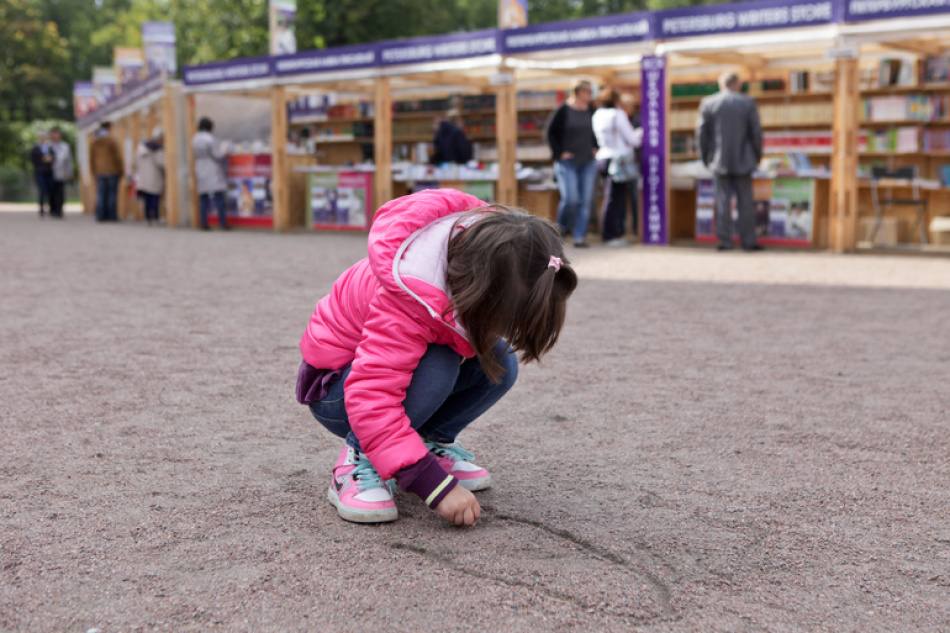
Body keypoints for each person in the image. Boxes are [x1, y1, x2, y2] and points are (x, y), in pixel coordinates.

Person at [296, 188, 578, 526]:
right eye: (505, 319)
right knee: (438, 365)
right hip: (339, 392)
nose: (505, 328)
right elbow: (371, 397)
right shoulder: (408, 297)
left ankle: (426, 443)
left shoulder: (474, 266)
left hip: (373, 384)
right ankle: (359, 460)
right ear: (485, 292)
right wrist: (434, 487)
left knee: (499, 360)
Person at [697, 72, 764, 252]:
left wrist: (706, 158)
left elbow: (702, 134)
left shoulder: (708, 103)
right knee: (746, 202)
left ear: (721, 85)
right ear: (737, 84)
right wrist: (756, 156)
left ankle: (726, 241)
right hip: (744, 159)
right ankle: (748, 241)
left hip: (719, 160)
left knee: (722, 201)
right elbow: (756, 133)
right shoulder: (748, 102)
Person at [544, 79, 599, 248]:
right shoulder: (563, 110)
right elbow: (550, 133)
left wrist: (595, 146)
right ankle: (559, 232)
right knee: (571, 199)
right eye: (588, 91)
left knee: (585, 200)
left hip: (587, 161)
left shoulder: (590, 109)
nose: (591, 95)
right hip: (568, 162)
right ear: (579, 92)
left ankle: (579, 237)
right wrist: (559, 153)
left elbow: (592, 130)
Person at [593, 88, 643, 247]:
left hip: (602, 158)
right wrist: (639, 134)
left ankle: (609, 232)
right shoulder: (618, 114)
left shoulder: (597, 114)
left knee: (609, 198)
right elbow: (632, 140)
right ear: (617, 101)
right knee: (615, 199)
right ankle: (610, 235)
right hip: (618, 160)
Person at [192, 117, 229, 230]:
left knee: (203, 197)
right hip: (211, 167)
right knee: (218, 195)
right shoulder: (210, 139)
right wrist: (224, 150)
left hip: (199, 166)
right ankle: (222, 223)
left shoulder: (194, 138)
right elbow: (217, 155)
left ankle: (204, 223)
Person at [89, 122, 124, 222]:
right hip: (112, 171)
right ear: (109, 128)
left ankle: (100, 215)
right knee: (112, 194)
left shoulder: (95, 141)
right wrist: (121, 170)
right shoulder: (111, 140)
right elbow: (117, 157)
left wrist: (94, 171)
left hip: (99, 171)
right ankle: (111, 216)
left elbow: (91, 158)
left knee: (101, 193)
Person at [619, 94, 642, 237]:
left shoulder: (638, 121)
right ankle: (621, 228)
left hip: (634, 163)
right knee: (620, 197)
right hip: (621, 163)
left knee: (635, 197)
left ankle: (636, 228)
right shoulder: (617, 120)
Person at [135, 127, 165, 226]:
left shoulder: (141, 149)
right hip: (154, 177)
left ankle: (148, 217)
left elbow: (136, 163)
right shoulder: (157, 150)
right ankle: (155, 217)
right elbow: (162, 163)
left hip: (143, 177)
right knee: (154, 199)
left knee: (147, 200)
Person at [48, 127, 74, 219]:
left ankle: (59, 210)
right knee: (51, 192)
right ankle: (52, 209)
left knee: (60, 192)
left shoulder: (65, 146)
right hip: (49, 173)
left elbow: (68, 160)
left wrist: (69, 172)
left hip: (61, 173)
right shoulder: (47, 146)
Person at [30, 130, 54, 219]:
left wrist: (50, 159)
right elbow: (33, 160)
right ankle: (42, 210)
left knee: (50, 190)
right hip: (40, 171)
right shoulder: (35, 148)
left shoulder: (50, 148)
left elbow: (54, 158)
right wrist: (43, 159)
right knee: (42, 190)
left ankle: (51, 209)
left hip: (49, 172)